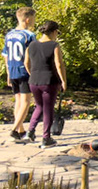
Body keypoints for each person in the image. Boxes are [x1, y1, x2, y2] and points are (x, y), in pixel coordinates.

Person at [23, 19, 69, 147]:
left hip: (34, 81)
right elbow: (59, 64)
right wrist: (63, 81)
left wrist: (32, 73)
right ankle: (46, 138)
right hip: (49, 81)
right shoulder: (54, 45)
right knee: (48, 109)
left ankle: (30, 132)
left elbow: (26, 62)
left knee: (39, 106)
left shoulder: (31, 45)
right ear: (54, 31)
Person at [3, 6, 37, 139]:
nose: (34, 21)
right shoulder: (29, 35)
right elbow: (32, 55)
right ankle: (14, 129)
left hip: (12, 69)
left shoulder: (9, 34)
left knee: (18, 100)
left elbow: (6, 55)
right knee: (26, 101)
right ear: (27, 20)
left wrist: (8, 72)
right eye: (33, 18)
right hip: (24, 71)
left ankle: (21, 130)